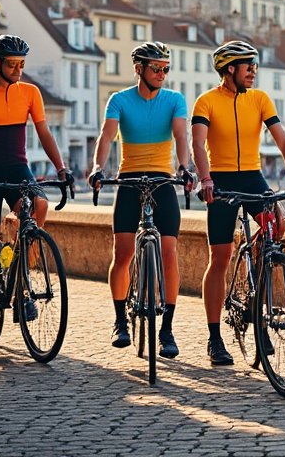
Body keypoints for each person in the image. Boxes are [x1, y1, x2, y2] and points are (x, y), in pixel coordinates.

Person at [192, 40, 285, 366]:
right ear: (230, 68)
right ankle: (215, 337)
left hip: (253, 176)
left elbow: (284, 141)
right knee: (219, 257)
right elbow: (198, 144)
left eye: (255, 67)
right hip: (219, 180)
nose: (254, 73)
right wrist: (205, 180)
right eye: (249, 66)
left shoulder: (260, 99)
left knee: (277, 223)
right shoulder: (206, 102)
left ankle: (255, 291)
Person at [0, 34, 71, 351]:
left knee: (40, 203)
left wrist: (62, 168)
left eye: (22, 64)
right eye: (12, 64)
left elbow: (44, 132)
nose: (18, 69)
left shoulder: (30, 93)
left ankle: (21, 282)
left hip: (18, 168)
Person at [89, 41, 195, 359]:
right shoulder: (119, 100)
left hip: (163, 180)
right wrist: (97, 167)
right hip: (129, 180)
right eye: (156, 68)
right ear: (139, 69)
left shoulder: (174, 100)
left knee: (169, 252)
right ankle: (121, 320)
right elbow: (107, 136)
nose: (162, 74)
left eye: (166, 68)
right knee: (122, 254)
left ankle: (167, 329)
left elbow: (180, 136)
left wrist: (185, 168)